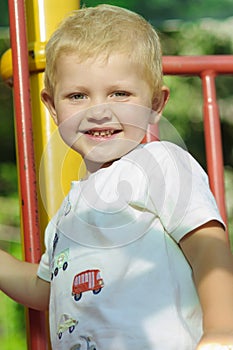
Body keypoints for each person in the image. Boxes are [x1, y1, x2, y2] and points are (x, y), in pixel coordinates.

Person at [0, 4, 233, 350]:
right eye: (77, 96)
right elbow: (43, 289)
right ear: (52, 106)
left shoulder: (159, 163)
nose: (99, 112)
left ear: (155, 103)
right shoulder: (68, 211)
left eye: (119, 93)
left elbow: (207, 248)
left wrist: (221, 332)